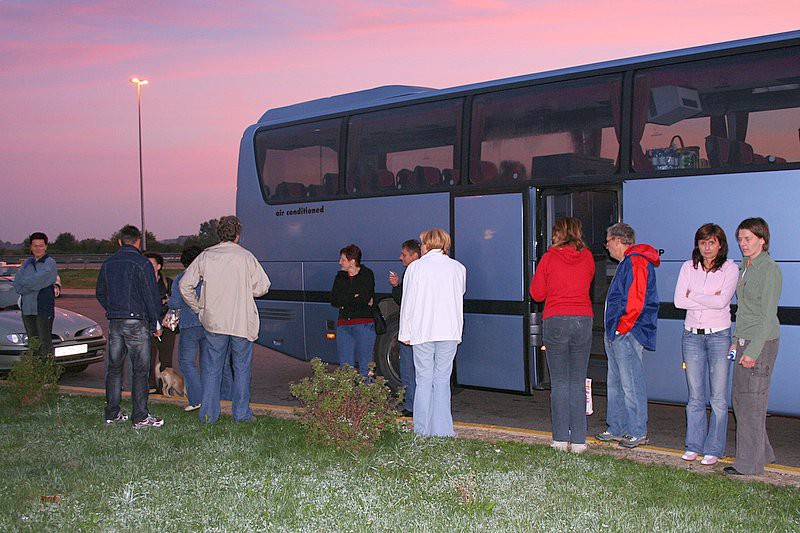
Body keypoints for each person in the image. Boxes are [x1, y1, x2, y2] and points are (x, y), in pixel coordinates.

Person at [180, 216, 271, 424]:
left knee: (212, 368)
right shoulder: (246, 257)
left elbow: (185, 285)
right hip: (241, 321)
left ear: (218, 234)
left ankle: (208, 415)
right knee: (241, 368)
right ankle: (241, 414)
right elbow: (263, 287)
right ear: (237, 235)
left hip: (214, 321)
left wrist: (198, 307)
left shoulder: (206, 256)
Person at [673, 223, 738, 466]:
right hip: (691, 336)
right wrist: (704, 299)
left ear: (720, 244)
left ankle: (714, 448)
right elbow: (679, 301)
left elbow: (722, 303)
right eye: (703, 242)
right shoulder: (688, 267)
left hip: (719, 336)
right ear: (697, 244)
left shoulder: (730, 269)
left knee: (718, 398)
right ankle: (694, 445)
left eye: (712, 242)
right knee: (695, 396)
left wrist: (693, 296)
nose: (707, 247)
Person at [529, 218, 595, 453]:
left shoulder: (548, 259)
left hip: (556, 319)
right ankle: (578, 440)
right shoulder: (587, 257)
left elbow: (537, 293)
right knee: (577, 381)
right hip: (583, 319)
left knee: (559, 382)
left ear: (557, 234)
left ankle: (559, 439)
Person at [724, 217, 782, 476]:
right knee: (742, 400)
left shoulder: (769, 269)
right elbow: (745, 310)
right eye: (740, 239)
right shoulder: (745, 267)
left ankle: (748, 465)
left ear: (762, 239)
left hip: (761, 342)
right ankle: (763, 453)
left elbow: (768, 315)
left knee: (751, 404)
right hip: (746, 339)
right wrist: (737, 340)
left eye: (748, 239)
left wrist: (752, 352)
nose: (743, 244)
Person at [596, 222, 660, 448]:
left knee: (631, 383)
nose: (606, 246)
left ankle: (636, 430)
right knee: (617, 383)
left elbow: (636, 299)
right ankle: (618, 427)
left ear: (617, 240)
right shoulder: (630, 261)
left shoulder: (636, 261)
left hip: (626, 332)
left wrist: (622, 328)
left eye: (608, 241)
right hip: (619, 332)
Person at [398, 228, 466, 437]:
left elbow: (407, 302)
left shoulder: (415, 268)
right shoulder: (458, 268)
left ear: (426, 245)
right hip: (449, 331)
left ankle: (422, 429)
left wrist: (405, 333)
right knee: (442, 380)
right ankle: (443, 430)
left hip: (423, 330)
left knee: (424, 379)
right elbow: (460, 293)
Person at [96, 225, 164, 429]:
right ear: (138, 242)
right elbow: (151, 296)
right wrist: (155, 323)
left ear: (119, 241)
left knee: (114, 369)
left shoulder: (108, 263)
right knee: (140, 371)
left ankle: (112, 413)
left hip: (115, 322)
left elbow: (100, 292)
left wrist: (113, 309)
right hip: (137, 322)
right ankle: (140, 416)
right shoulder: (142, 263)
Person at [331, 244, 376, 380]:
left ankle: (367, 396)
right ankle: (348, 397)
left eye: (343, 260)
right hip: (344, 324)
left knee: (365, 365)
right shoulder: (340, 277)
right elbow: (334, 300)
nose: (340, 262)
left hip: (363, 323)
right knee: (345, 366)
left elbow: (364, 298)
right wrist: (354, 297)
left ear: (352, 261)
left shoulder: (367, 274)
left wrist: (346, 300)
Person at [389, 239, 421, 417]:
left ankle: (412, 405)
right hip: (416, 329)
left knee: (409, 367)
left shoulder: (415, 272)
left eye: (404, 254)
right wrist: (396, 286)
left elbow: (408, 303)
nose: (401, 257)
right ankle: (413, 404)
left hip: (413, 330)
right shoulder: (412, 272)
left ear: (414, 255)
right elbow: (402, 299)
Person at [13, 232, 58, 359]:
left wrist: (27, 283)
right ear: (30, 247)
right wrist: (34, 284)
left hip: (42, 309)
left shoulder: (50, 263)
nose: (38, 249)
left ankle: (45, 374)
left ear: (46, 247)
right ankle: (34, 373)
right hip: (27, 309)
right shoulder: (27, 263)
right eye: (35, 246)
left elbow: (40, 280)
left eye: (41, 246)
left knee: (44, 343)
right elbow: (17, 284)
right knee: (33, 344)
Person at [144, 252, 176, 394]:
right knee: (148, 357)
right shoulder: (142, 283)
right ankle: (151, 385)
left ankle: (165, 387)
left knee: (166, 359)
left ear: (159, 266)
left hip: (166, 325)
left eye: (151, 264)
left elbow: (175, 303)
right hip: (149, 325)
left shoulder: (168, 283)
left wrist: (165, 304)